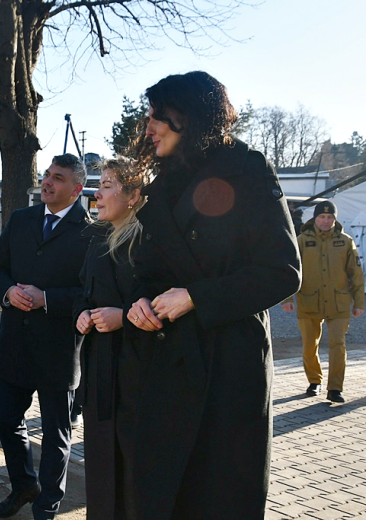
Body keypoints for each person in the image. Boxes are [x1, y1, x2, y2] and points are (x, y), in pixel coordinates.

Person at [121, 71, 302, 519]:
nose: (148, 127)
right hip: (167, 362)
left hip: (228, 367)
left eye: (158, 116)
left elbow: (283, 271)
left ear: (188, 115)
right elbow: (149, 268)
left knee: (219, 497)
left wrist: (197, 297)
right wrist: (139, 300)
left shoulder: (248, 169)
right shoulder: (164, 182)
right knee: (161, 496)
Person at [0, 153, 91, 520]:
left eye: (58, 178)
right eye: (47, 174)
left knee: (55, 433)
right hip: (15, 343)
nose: (47, 181)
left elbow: (90, 294)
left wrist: (47, 299)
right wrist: (7, 291)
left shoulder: (90, 232)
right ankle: (24, 486)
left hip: (58, 349)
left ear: (76, 189)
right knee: (5, 415)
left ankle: (47, 507)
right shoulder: (21, 220)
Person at [72, 158, 147, 519]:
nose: (97, 194)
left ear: (133, 195)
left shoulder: (150, 241)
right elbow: (81, 291)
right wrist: (81, 314)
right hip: (99, 371)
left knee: (133, 472)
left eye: (106, 186)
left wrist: (125, 317)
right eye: (98, 185)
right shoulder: (97, 237)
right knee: (100, 468)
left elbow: (163, 302)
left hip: (137, 373)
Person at [282, 200, 365, 403]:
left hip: (339, 302)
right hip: (309, 301)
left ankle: (335, 388)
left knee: (338, 345)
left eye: (330, 217)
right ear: (315, 218)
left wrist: (359, 302)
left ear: (335, 219)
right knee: (310, 345)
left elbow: (356, 274)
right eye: (322, 217)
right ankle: (314, 381)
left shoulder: (345, 241)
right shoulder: (302, 240)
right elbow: (289, 270)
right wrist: (286, 298)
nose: (326, 221)